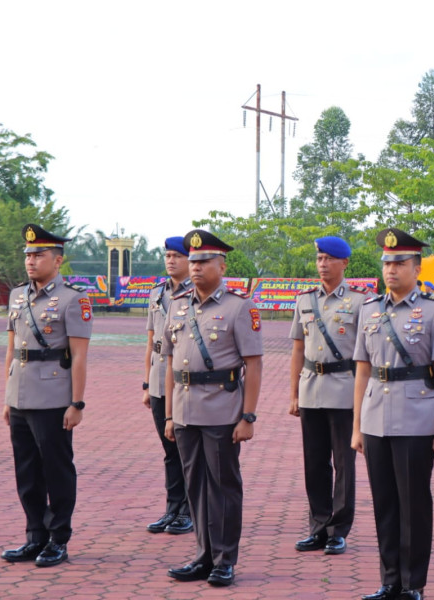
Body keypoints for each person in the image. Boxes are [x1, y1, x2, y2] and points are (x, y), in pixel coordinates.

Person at [351, 227, 434, 600]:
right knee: (384, 504)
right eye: (386, 263)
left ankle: (413, 584)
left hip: (417, 418)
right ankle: (389, 580)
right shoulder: (368, 309)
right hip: (376, 416)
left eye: (399, 263)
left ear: (417, 267)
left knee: (413, 504)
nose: (391, 269)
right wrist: (357, 427)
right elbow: (362, 370)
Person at [162, 229, 263, 587]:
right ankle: (203, 556)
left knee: (223, 486)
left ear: (222, 265)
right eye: (193, 261)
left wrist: (247, 416)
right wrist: (170, 415)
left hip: (222, 410)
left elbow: (254, 364)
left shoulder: (239, 306)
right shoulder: (177, 305)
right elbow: (170, 363)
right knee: (196, 487)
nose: (196, 267)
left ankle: (224, 559)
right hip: (186, 411)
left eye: (204, 261)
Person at [1, 224, 92, 567]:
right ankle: (34, 536)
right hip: (21, 395)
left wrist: (77, 402)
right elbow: (11, 349)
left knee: (56, 470)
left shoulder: (73, 299)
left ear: (57, 261)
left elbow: (79, 355)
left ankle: (58, 539)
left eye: (38, 255)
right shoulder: (17, 296)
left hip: (54, 397)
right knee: (26, 471)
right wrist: (7, 397)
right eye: (27, 255)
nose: (31, 261)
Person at [289, 236, 372, 556]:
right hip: (311, 389)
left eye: (328, 259)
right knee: (314, 463)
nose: (322, 264)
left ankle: (338, 529)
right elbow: (298, 348)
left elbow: (367, 354)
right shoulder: (304, 300)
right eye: (319, 259)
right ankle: (318, 526)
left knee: (344, 465)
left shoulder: (361, 301)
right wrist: (294, 393)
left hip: (345, 389)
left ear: (344, 264)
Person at [142, 237, 194, 535]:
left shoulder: (194, 293)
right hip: (161, 378)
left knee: (186, 448)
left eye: (177, 256)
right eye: (168, 255)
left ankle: (188, 510)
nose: (170, 260)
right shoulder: (157, 293)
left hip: (185, 379)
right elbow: (150, 341)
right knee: (169, 448)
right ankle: (172, 508)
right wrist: (147, 383)